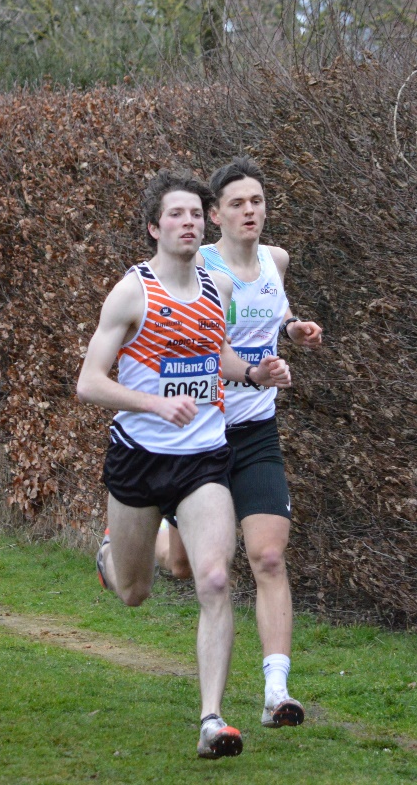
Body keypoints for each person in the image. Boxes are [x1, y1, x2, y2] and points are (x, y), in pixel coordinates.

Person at [76, 169, 291, 759]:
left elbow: (213, 352)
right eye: (177, 214)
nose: (189, 222)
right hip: (139, 458)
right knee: (135, 591)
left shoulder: (217, 288)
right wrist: (153, 402)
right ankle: (109, 559)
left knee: (216, 577)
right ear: (154, 226)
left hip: (203, 459)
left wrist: (251, 372)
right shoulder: (132, 293)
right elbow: (89, 383)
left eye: (197, 213)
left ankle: (212, 719)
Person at [154, 156, 323, 728]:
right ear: (215, 215)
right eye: (237, 204)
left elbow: (272, 317)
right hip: (201, 433)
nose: (250, 211)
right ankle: (143, 531)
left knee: (268, 556)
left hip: (254, 432)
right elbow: (191, 345)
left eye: (257, 201)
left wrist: (294, 330)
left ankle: (277, 692)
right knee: (183, 567)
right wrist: (247, 371)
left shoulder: (275, 261)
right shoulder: (197, 266)